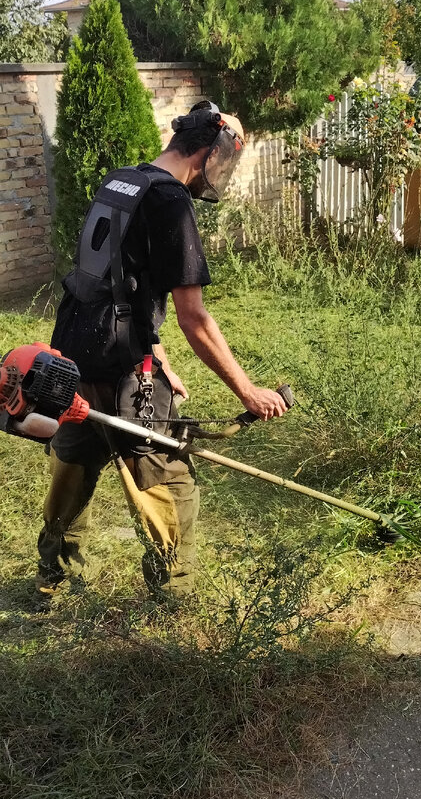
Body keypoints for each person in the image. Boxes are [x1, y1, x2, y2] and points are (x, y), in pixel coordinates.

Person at [37, 101, 287, 599]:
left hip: (72, 359)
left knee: (73, 468)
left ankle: (55, 580)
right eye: (224, 161)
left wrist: (159, 355)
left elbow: (117, 282)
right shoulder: (170, 199)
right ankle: (173, 596)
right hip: (123, 373)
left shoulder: (122, 181)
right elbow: (195, 319)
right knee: (168, 482)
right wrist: (249, 392)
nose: (221, 173)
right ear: (208, 151)